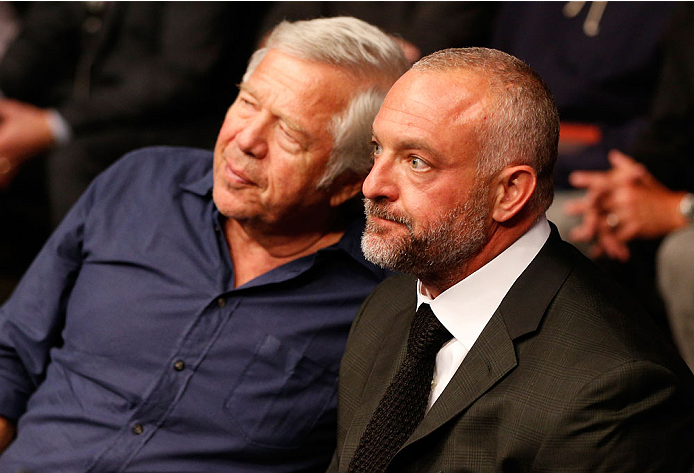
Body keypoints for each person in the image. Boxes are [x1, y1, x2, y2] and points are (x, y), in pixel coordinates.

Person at [0, 17, 408, 472]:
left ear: (346, 183)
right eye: (248, 103)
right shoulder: (138, 183)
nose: (246, 139)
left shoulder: (379, 303)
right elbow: (12, 351)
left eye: (289, 133)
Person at [328, 47, 694, 473]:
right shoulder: (388, 305)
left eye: (416, 162)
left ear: (510, 193)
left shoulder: (614, 389)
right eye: (377, 149)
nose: (372, 185)